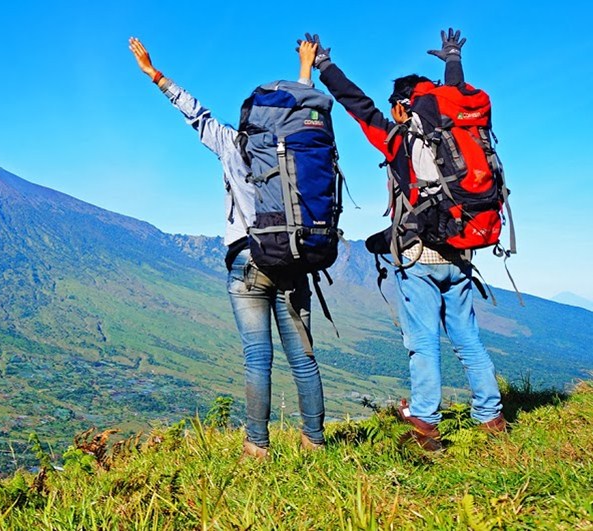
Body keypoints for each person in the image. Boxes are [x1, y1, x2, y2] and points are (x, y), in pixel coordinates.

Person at [303, 29, 506, 451]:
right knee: (467, 338)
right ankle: (491, 417)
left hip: (418, 258)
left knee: (423, 342)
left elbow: (357, 104)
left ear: (401, 105)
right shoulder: (458, 125)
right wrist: (453, 57)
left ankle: (426, 424)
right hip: (462, 250)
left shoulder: (398, 137)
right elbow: (456, 92)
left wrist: (323, 64)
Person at [128, 37, 326, 458]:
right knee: (303, 359)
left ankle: (257, 446)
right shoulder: (292, 147)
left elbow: (195, 112)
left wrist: (154, 74)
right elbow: (299, 114)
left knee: (258, 359)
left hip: (248, 262)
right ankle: (314, 442)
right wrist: (305, 69)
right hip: (294, 256)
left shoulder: (231, 143)